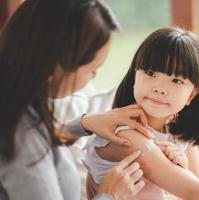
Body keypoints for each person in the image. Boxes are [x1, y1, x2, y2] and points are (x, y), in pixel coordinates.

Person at [0, 0, 153, 199]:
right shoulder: (21, 137)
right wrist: (109, 195)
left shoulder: (15, 111)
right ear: (53, 66)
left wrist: (84, 124)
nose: (94, 76)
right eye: (92, 70)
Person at [84, 27, 199, 200]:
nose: (160, 89)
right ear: (134, 76)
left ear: (192, 94)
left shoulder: (179, 132)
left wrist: (182, 168)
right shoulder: (126, 135)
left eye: (176, 80)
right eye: (150, 73)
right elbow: (193, 192)